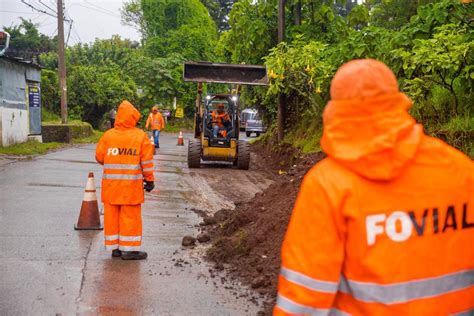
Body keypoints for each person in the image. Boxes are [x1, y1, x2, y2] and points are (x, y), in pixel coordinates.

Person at [274, 59, 473, 315]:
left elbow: (302, 302)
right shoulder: (461, 171)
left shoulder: (327, 185)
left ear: (337, 110)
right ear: (397, 102)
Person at [96, 100, 155, 260]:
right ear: (133, 118)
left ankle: (115, 249)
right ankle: (129, 250)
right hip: (131, 188)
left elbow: (100, 157)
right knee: (130, 217)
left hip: (111, 188)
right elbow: (147, 162)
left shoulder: (108, 136)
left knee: (112, 217)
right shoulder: (140, 136)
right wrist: (149, 180)